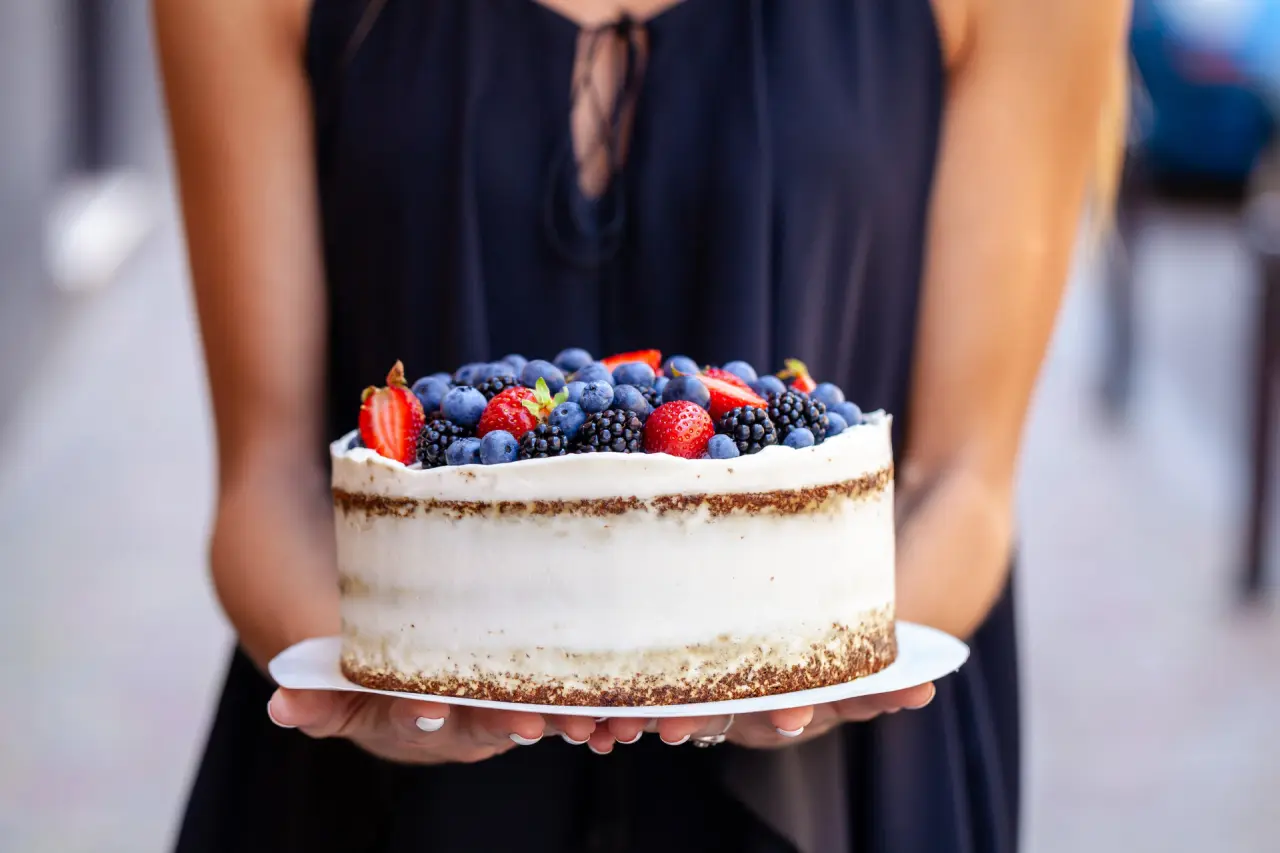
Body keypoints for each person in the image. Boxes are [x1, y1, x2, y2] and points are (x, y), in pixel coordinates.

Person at [154, 0, 1128, 850]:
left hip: (832, 797)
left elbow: (961, 482)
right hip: (372, 799)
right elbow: (265, 479)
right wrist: (375, 691)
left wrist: (800, 671)